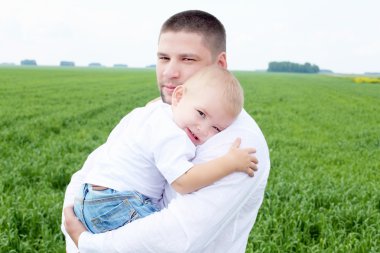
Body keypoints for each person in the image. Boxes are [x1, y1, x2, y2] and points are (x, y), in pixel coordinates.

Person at [63, 10, 270, 253]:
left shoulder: (239, 143)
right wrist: (75, 229)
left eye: (187, 59)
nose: (169, 72)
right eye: (163, 57)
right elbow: (88, 176)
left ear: (220, 65)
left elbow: (174, 237)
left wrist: (86, 241)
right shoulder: (153, 113)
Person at [72, 65, 257, 234]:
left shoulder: (157, 112)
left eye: (216, 129)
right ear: (178, 97)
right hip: (116, 201)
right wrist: (229, 163)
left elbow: (155, 104)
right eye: (201, 113)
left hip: (89, 196)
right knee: (165, 237)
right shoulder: (173, 135)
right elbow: (183, 182)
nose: (203, 128)